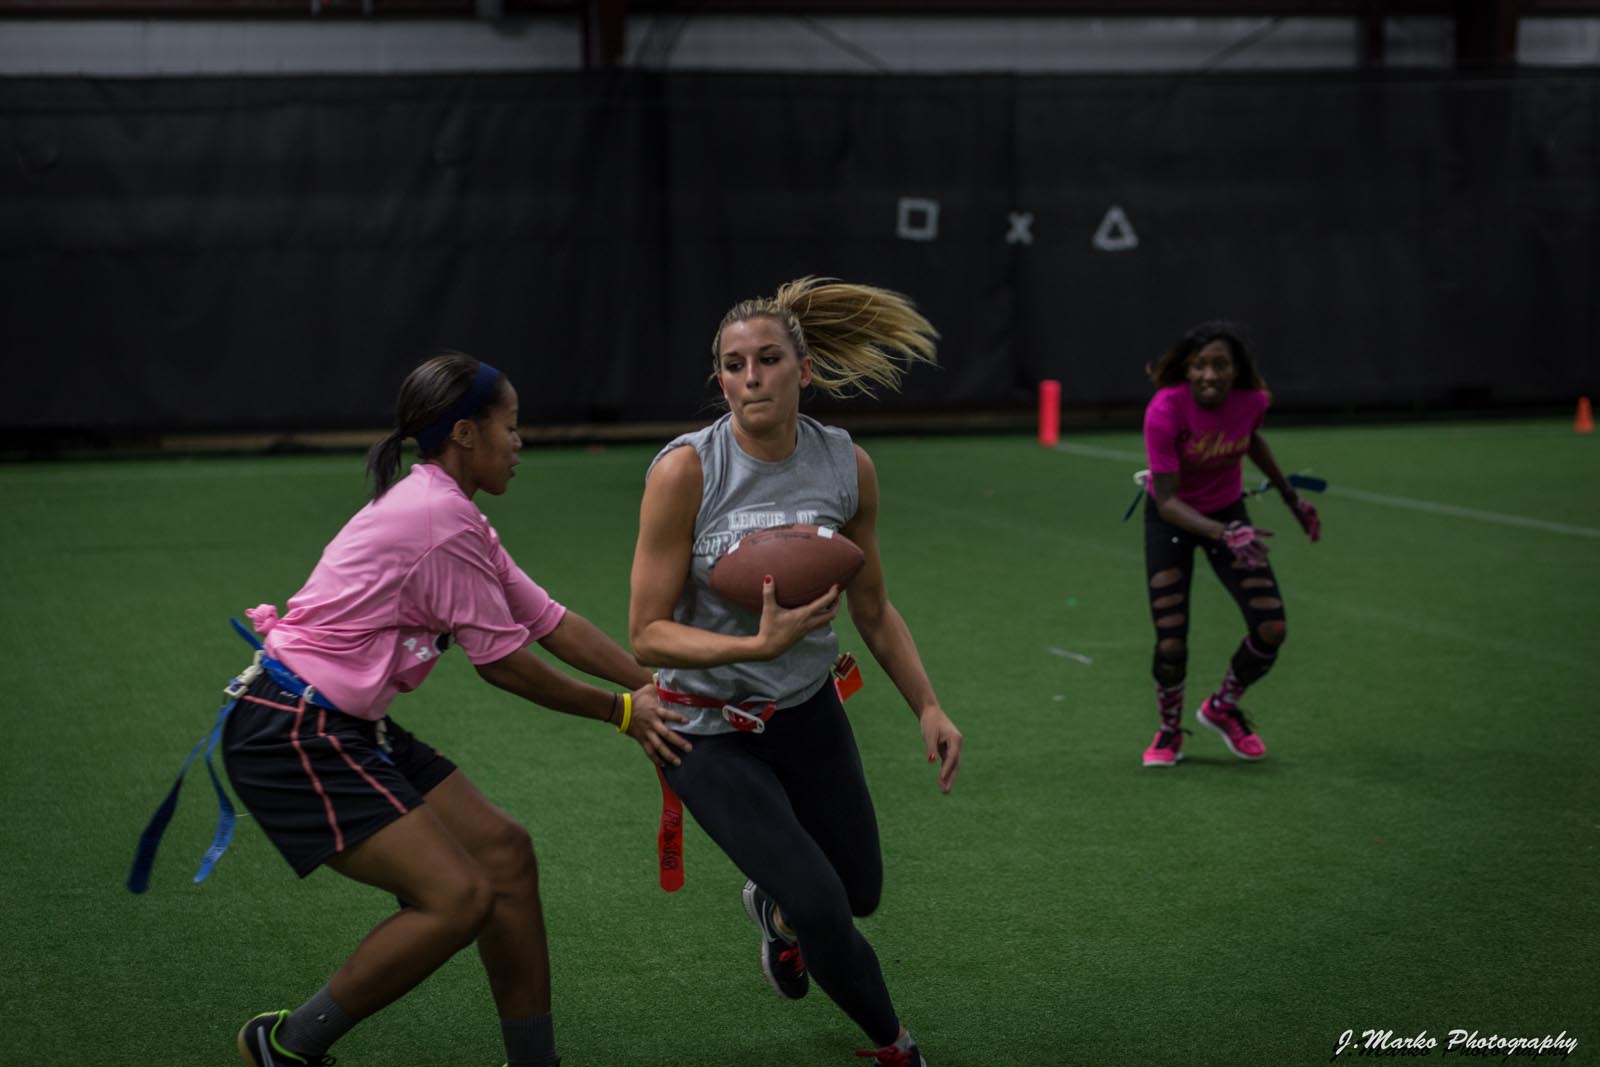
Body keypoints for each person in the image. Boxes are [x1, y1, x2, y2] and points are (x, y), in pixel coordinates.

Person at [219, 353, 691, 1066]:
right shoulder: (439, 518)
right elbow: (503, 663)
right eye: (512, 425)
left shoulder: (452, 511)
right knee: (458, 896)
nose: (520, 441)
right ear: (467, 433)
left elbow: (550, 621)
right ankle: (285, 1046)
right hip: (292, 730)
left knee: (505, 855)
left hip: (340, 722)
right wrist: (623, 712)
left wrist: (658, 682)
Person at [628, 277, 964, 1067]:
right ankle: (895, 1045)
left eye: (769, 359)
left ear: (803, 370)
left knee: (859, 891)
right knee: (821, 903)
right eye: (733, 364)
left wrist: (928, 704)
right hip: (704, 728)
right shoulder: (687, 471)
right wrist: (754, 646)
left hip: (807, 709)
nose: (751, 377)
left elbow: (873, 608)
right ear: (720, 380)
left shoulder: (846, 463)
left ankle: (772, 913)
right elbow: (646, 634)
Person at [1137, 321, 1321, 768]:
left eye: (1220, 365)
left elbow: (1250, 438)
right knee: (1171, 645)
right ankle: (1169, 729)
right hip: (1173, 519)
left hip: (1227, 513)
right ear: (1187, 369)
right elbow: (1167, 501)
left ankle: (1222, 707)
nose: (1209, 375)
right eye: (1199, 365)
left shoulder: (1253, 401)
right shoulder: (1165, 409)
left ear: (1236, 369)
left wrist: (1291, 499)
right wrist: (1222, 533)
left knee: (1271, 628)